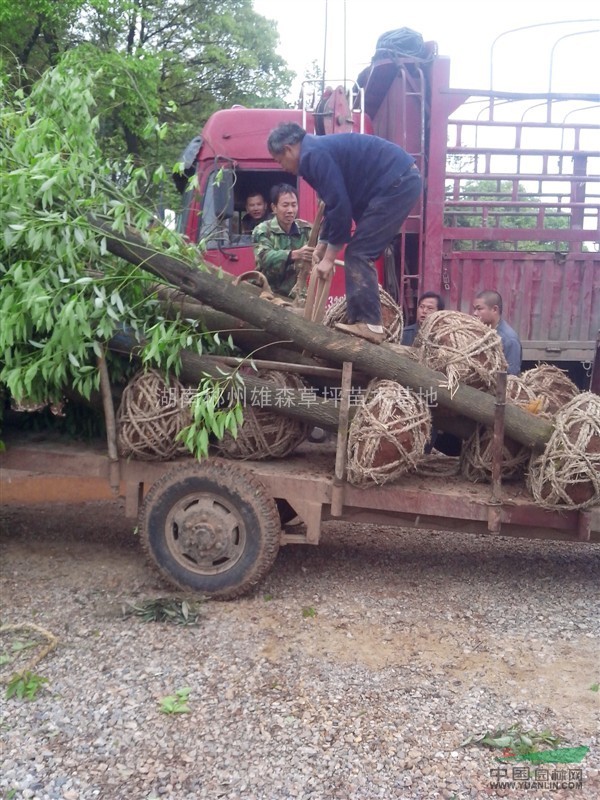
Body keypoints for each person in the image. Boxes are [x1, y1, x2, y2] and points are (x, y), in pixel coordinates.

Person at [266, 122, 422, 344]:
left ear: (289, 148)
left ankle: (370, 325)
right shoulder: (315, 152)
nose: (282, 166)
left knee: (358, 253)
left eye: (279, 160)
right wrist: (322, 245)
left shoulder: (313, 156)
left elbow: (341, 207)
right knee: (358, 251)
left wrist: (329, 259)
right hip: (396, 182)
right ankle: (365, 323)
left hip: (396, 184)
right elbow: (332, 206)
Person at [252, 183, 314, 297]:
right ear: (274, 207)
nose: (290, 210)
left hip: (296, 295)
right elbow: (264, 257)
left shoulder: (307, 230)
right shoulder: (263, 230)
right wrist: (294, 254)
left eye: (294, 205)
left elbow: (320, 250)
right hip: (267, 293)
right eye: (285, 205)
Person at [473, 290, 522, 375]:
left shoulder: (509, 340)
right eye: (474, 309)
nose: (475, 313)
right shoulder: (482, 332)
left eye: (479, 309)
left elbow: (511, 376)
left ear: (495, 309)